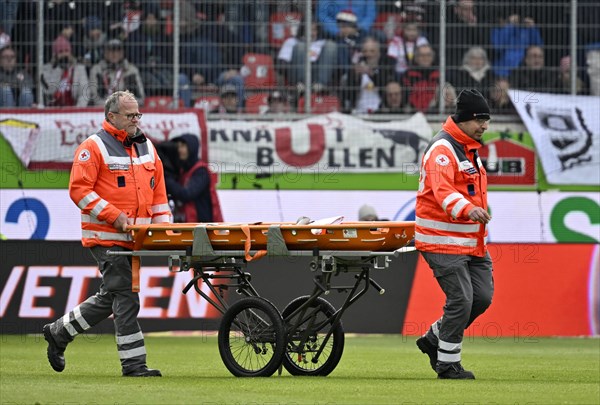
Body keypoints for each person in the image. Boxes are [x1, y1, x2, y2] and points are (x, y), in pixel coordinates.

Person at [43, 90, 172, 377]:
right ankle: (134, 365)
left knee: (111, 296)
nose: (135, 120)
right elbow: (79, 190)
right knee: (126, 297)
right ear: (111, 116)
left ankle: (58, 332)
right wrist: (115, 217)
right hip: (106, 237)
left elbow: (158, 193)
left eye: (137, 114)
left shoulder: (147, 146)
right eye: (130, 115)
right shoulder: (93, 147)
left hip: (134, 239)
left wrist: (163, 231)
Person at [414, 89, 494, 380]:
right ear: (462, 120)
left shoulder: (469, 148)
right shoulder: (442, 150)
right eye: (479, 120)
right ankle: (448, 365)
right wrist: (467, 209)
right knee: (461, 299)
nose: (484, 126)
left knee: (481, 298)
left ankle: (433, 338)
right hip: (442, 241)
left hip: (472, 243)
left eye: (486, 120)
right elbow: (443, 190)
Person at [164, 133, 223, 223]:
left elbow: (187, 194)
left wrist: (166, 177)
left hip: (203, 227)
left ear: (192, 148)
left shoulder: (201, 171)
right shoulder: (183, 170)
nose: (179, 150)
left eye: (183, 146)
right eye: (178, 146)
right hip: (191, 225)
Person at [88, 39, 145, 106]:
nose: (115, 54)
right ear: (105, 53)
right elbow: (94, 97)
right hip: (103, 110)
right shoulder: (97, 70)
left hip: (126, 111)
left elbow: (141, 98)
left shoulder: (132, 70)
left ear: (123, 53)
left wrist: (122, 105)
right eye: (111, 50)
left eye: (118, 50)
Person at [41, 36, 89, 107]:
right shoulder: (47, 69)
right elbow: (49, 90)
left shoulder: (79, 69)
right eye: (61, 52)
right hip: (52, 110)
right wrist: (57, 69)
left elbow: (85, 93)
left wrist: (77, 111)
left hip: (73, 110)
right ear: (55, 55)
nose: (64, 54)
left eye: (66, 51)